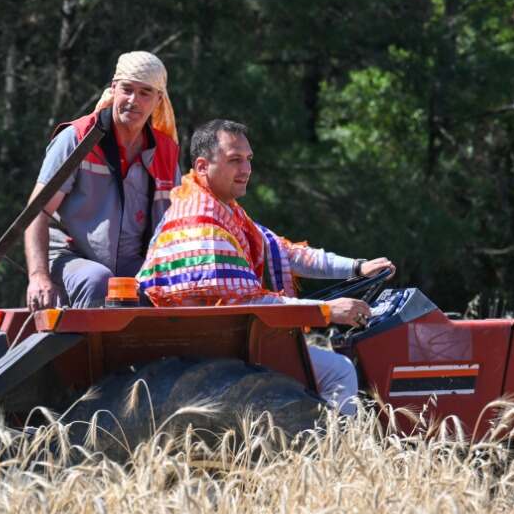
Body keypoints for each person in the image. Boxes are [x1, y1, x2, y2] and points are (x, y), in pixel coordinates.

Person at [136, 118, 394, 415]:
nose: (246, 170)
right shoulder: (201, 224)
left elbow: (285, 252)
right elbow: (251, 303)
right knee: (339, 370)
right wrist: (327, 311)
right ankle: (335, 455)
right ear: (203, 166)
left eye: (248, 160)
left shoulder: (219, 208)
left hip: (222, 341)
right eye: (234, 160)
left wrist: (357, 268)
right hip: (213, 351)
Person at [24, 51, 181, 310]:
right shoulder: (78, 139)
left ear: (158, 100)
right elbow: (36, 212)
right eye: (127, 89)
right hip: (70, 257)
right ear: (113, 89)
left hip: (132, 264)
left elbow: (177, 227)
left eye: (145, 93)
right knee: (98, 281)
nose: (133, 100)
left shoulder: (166, 152)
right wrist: (38, 276)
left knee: (171, 285)